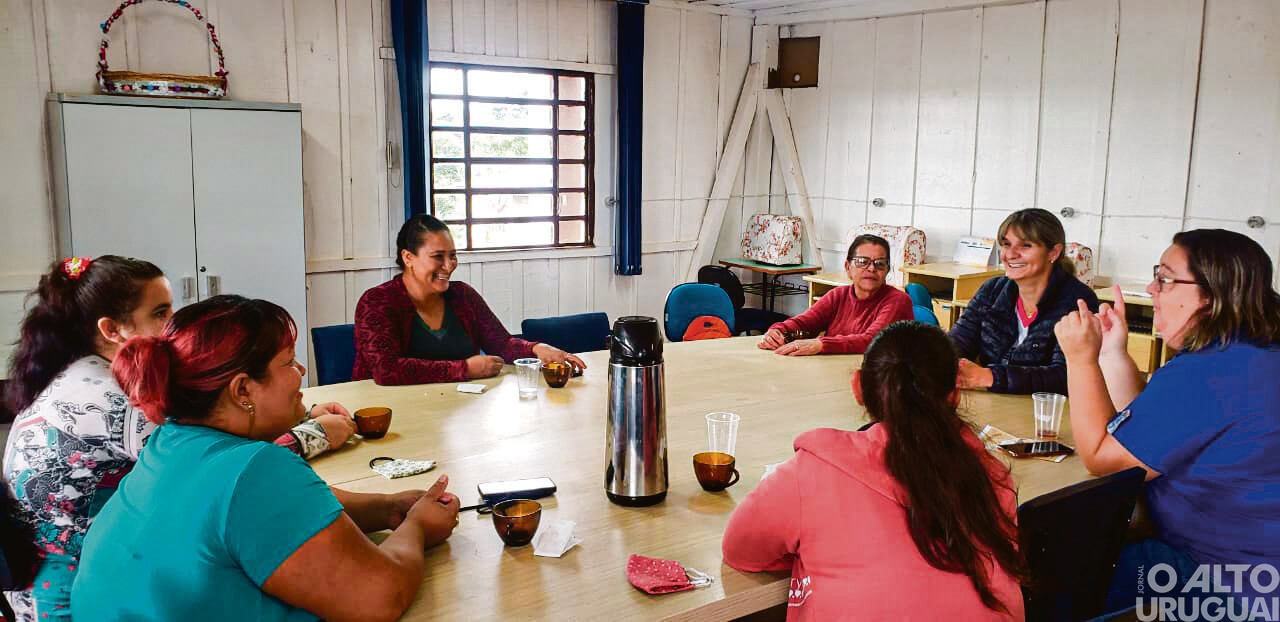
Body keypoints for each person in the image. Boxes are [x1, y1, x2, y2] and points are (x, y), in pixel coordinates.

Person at [2, 256, 355, 622]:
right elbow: (212, 469)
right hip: (74, 595)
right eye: (160, 313)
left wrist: (301, 412)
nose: (173, 324)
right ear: (112, 329)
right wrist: (314, 435)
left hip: (92, 570)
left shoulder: (74, 372)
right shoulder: (122, 400)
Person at [71, 295, 460, 620]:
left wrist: (389, 508)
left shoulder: (173, 440)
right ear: (243, 390)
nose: (301, 372)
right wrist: (417, 528)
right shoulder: (256, 468)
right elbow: (380, 598)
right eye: (288, 363)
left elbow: (267, 515)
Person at [724, 321, 1026, 620]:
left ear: (858, 388)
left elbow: (740, 550)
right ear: (956, 393)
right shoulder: (992, 476)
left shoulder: (813, 470)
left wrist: (818, 548)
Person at [1054, 229, 1280, 608]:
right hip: (1260, 571)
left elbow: (1103, 459)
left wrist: (1080, 360)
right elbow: (1143, 430)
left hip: (1225, 583)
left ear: (1210, 296)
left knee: (1059, 574)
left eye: (1165, 279)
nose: (1151, 288)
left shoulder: (1207, 373)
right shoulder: (1251, 356)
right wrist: (1112, 353)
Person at [353, 215, 586, 385]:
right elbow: (387, 370)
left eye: (452, 256)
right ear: (408, 257)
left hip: (455, 414)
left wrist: (537, 349)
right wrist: (464, 369)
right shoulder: (376, 302)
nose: (448, 265)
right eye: (437, 257)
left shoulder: (463, 295)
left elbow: (501, 344)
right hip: (390, 415)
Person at [949, 208, 1098, 394]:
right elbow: (955, 346)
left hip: (1048, 414)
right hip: (993, 403)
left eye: (1025, 246)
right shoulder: (992, 291)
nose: (1010, 254)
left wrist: (990, 376)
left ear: (1053, 252)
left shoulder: (1079, 302)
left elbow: (1066, 375)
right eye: (1006, 244)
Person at [758, 234, 913, 355]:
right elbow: (805, 323)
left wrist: (821, 344)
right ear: (847, 267)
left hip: (875, 379)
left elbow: (873, 340)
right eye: (862, 261)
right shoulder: (838, 295)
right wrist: (778, 331)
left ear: (887, 270)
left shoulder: (898, 301)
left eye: (879, 263)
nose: (871, 268)